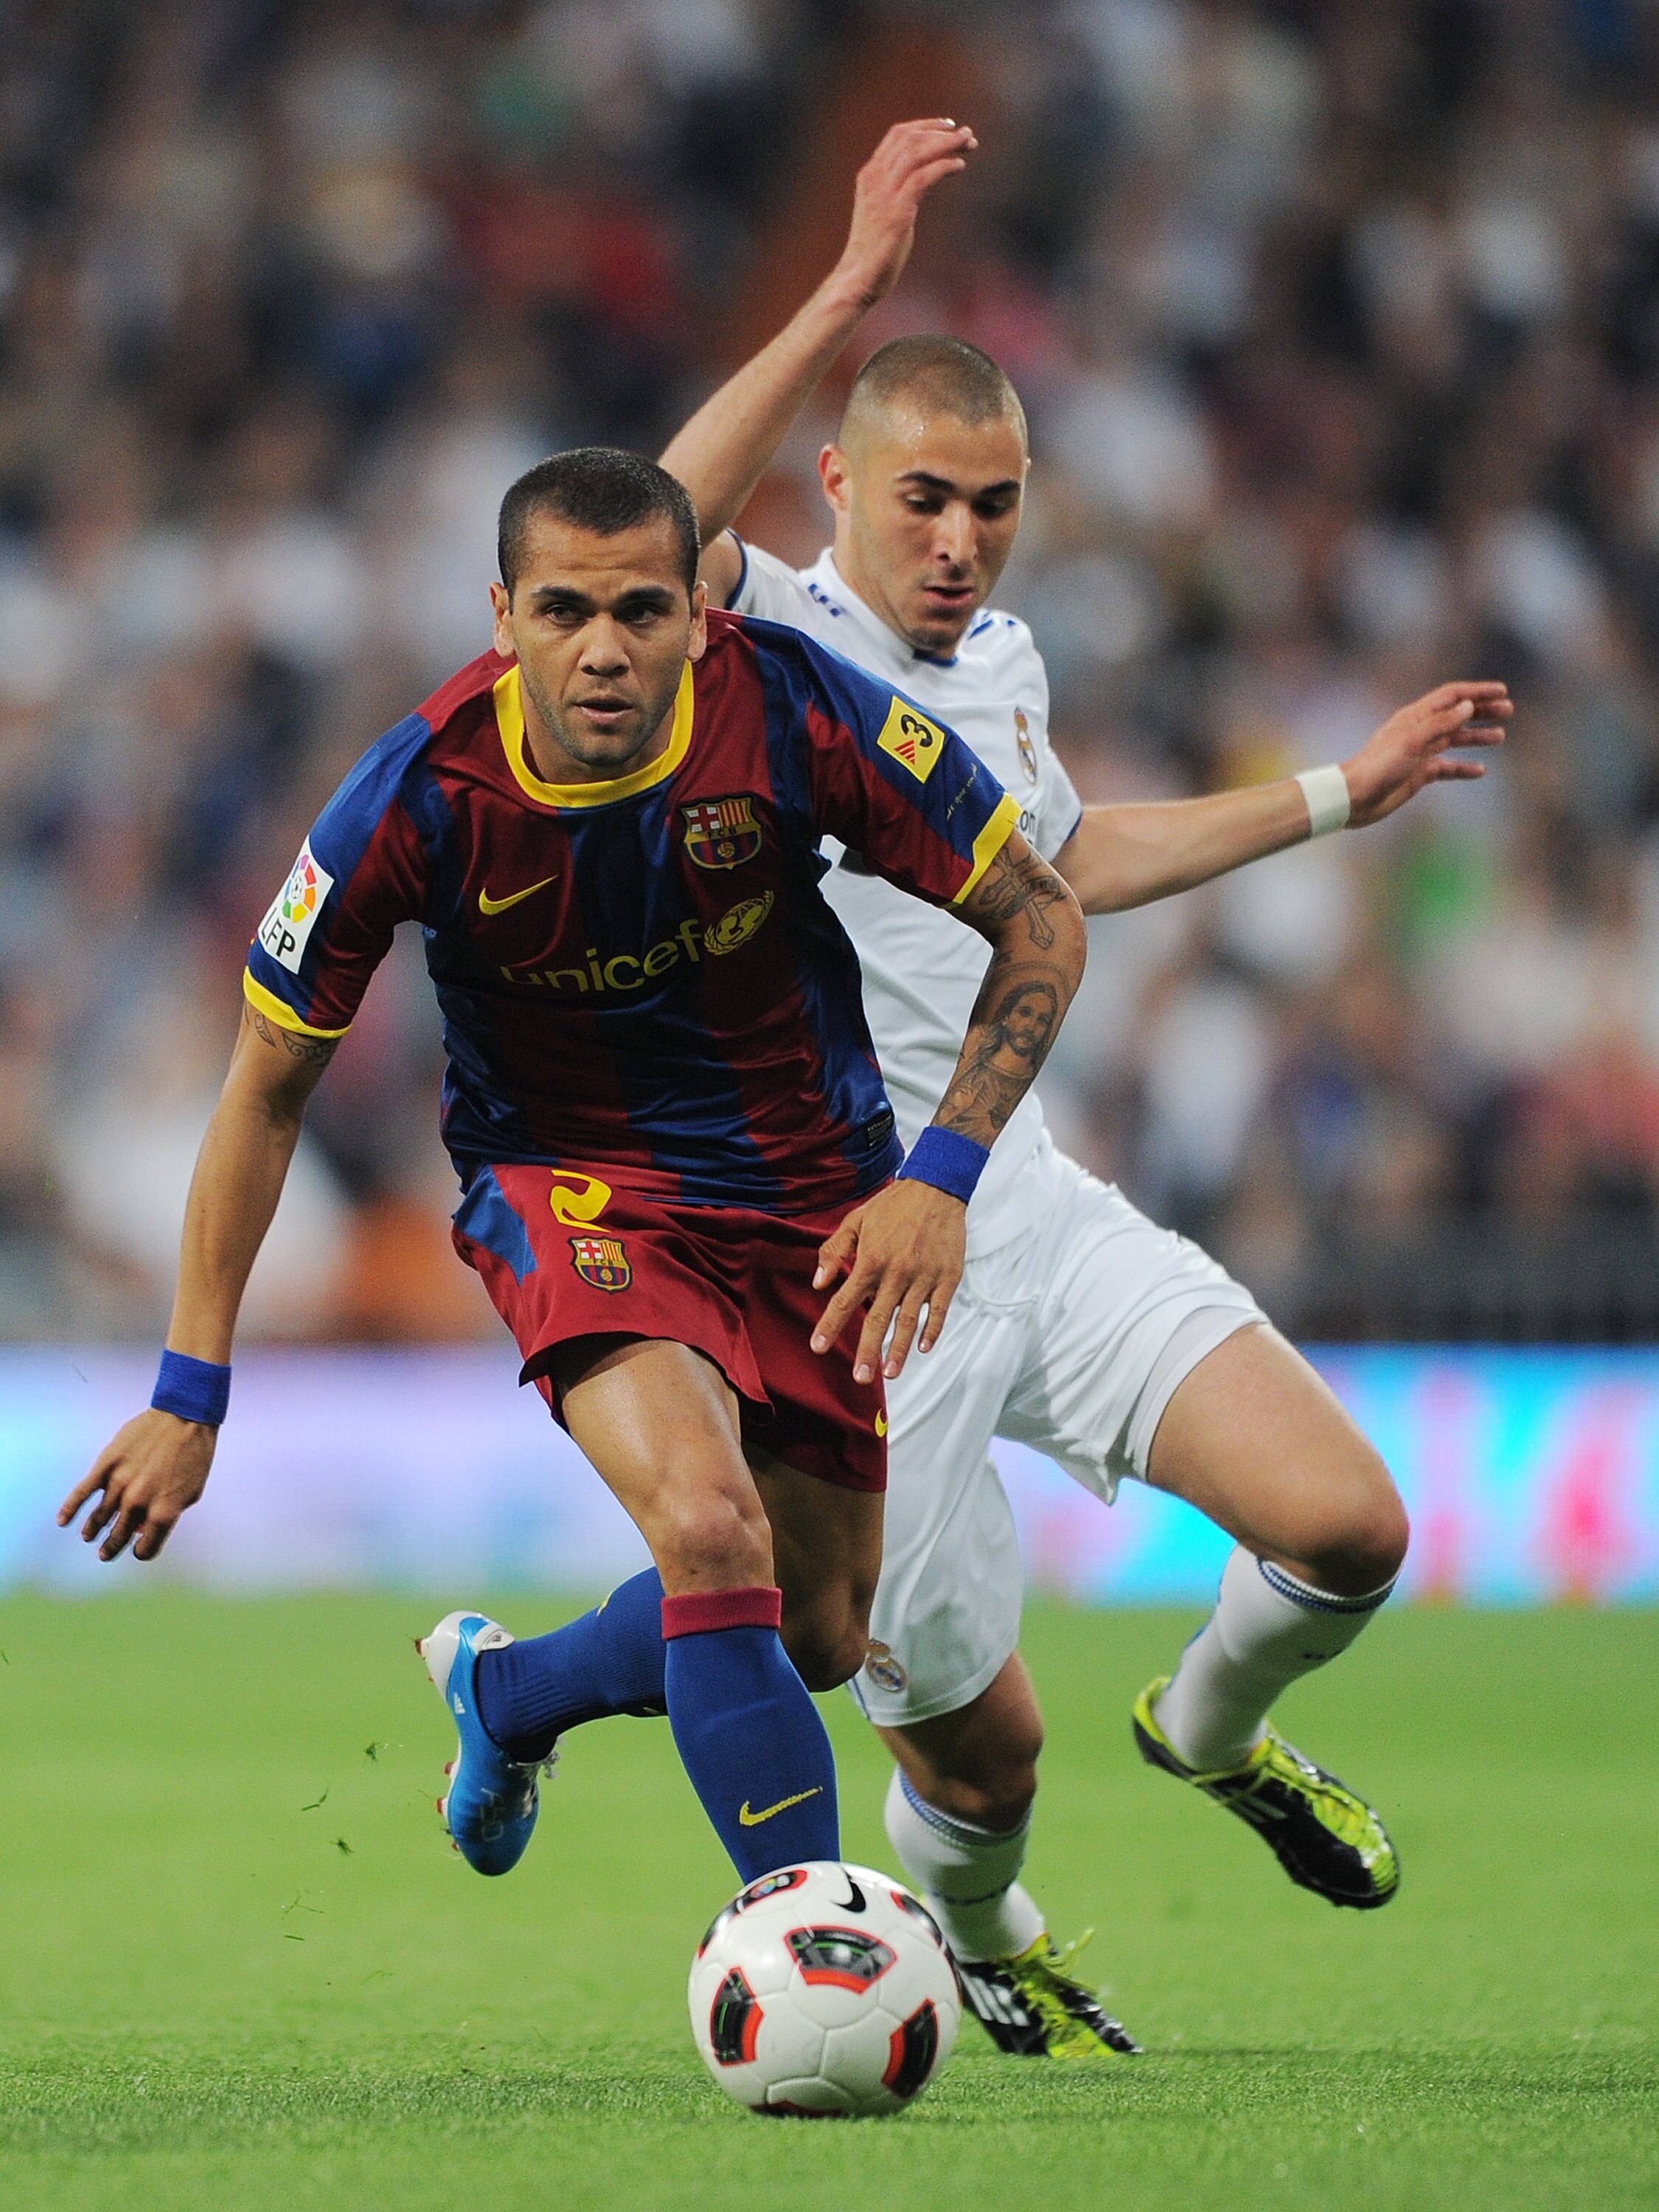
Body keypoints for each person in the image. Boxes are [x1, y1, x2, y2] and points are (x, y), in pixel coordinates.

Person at [654, 120, 1510, 2055]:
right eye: (925, 502)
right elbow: (638, 517)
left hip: (1021, 1196)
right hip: (866, 1278)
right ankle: (978, 1924)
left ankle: (1212, 1730)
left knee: (1349, 1527)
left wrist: (1335, 797)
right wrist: (846, 293)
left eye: (997, 507)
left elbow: (1065, 858)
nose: (960, 543)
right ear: (840, 490)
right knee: (984, 1765)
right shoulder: (743, 636)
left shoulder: (1007, 661)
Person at [57, 445, 1087, 1896]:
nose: (605, 650)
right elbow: (262, 1092)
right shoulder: (415, 799)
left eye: (642, 611)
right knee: (709, 1525)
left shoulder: (792, 710)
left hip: (816, 1191)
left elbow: (1040, 918)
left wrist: (941, 1175)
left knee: (817, 1631)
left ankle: (514, 1694)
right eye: (564, 612)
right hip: (574, 1188)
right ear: (502, 616)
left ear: (700, 611)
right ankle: (808, 1936)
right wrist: (189, 1387)